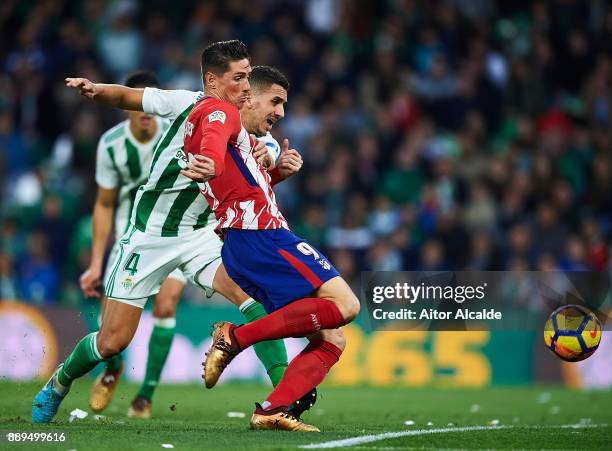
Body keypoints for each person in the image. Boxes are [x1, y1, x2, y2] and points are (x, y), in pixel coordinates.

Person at [32, 41, 303, 423]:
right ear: (212, 80)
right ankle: (58, 383)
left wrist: (275, 161)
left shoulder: (250, 129)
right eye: (239, 77)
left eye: (248, 76)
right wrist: (96, 90)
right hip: (150, 236)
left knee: (255, 296)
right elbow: (132, 97)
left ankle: (283, 401)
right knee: (112, 342)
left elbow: (265, 154)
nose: (247, 85)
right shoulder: (185, 103)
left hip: (203, 236)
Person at [183, 46, 360, 433]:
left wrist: (276, 172)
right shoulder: (221, 113)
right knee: (345, 304)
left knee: (333, 338)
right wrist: (211, 160)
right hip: (261, 237)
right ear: (248, 97)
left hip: (246, 242)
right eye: (274, 101)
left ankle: (272, 409)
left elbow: (238, 185)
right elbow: (213, 141)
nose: (280, 112)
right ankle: (236, 336)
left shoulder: (249, 142)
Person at [80, 70, 190, 419]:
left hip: (177, 233)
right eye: (137, 103)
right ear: (127, 105)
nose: (144, 111)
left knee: (166, 305)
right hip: (133, 237)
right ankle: (112, 369)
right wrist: (96, 263)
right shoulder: (111, 145)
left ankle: (145, 395)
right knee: (109, 325)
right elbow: (105, 203)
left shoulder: (178, 135)